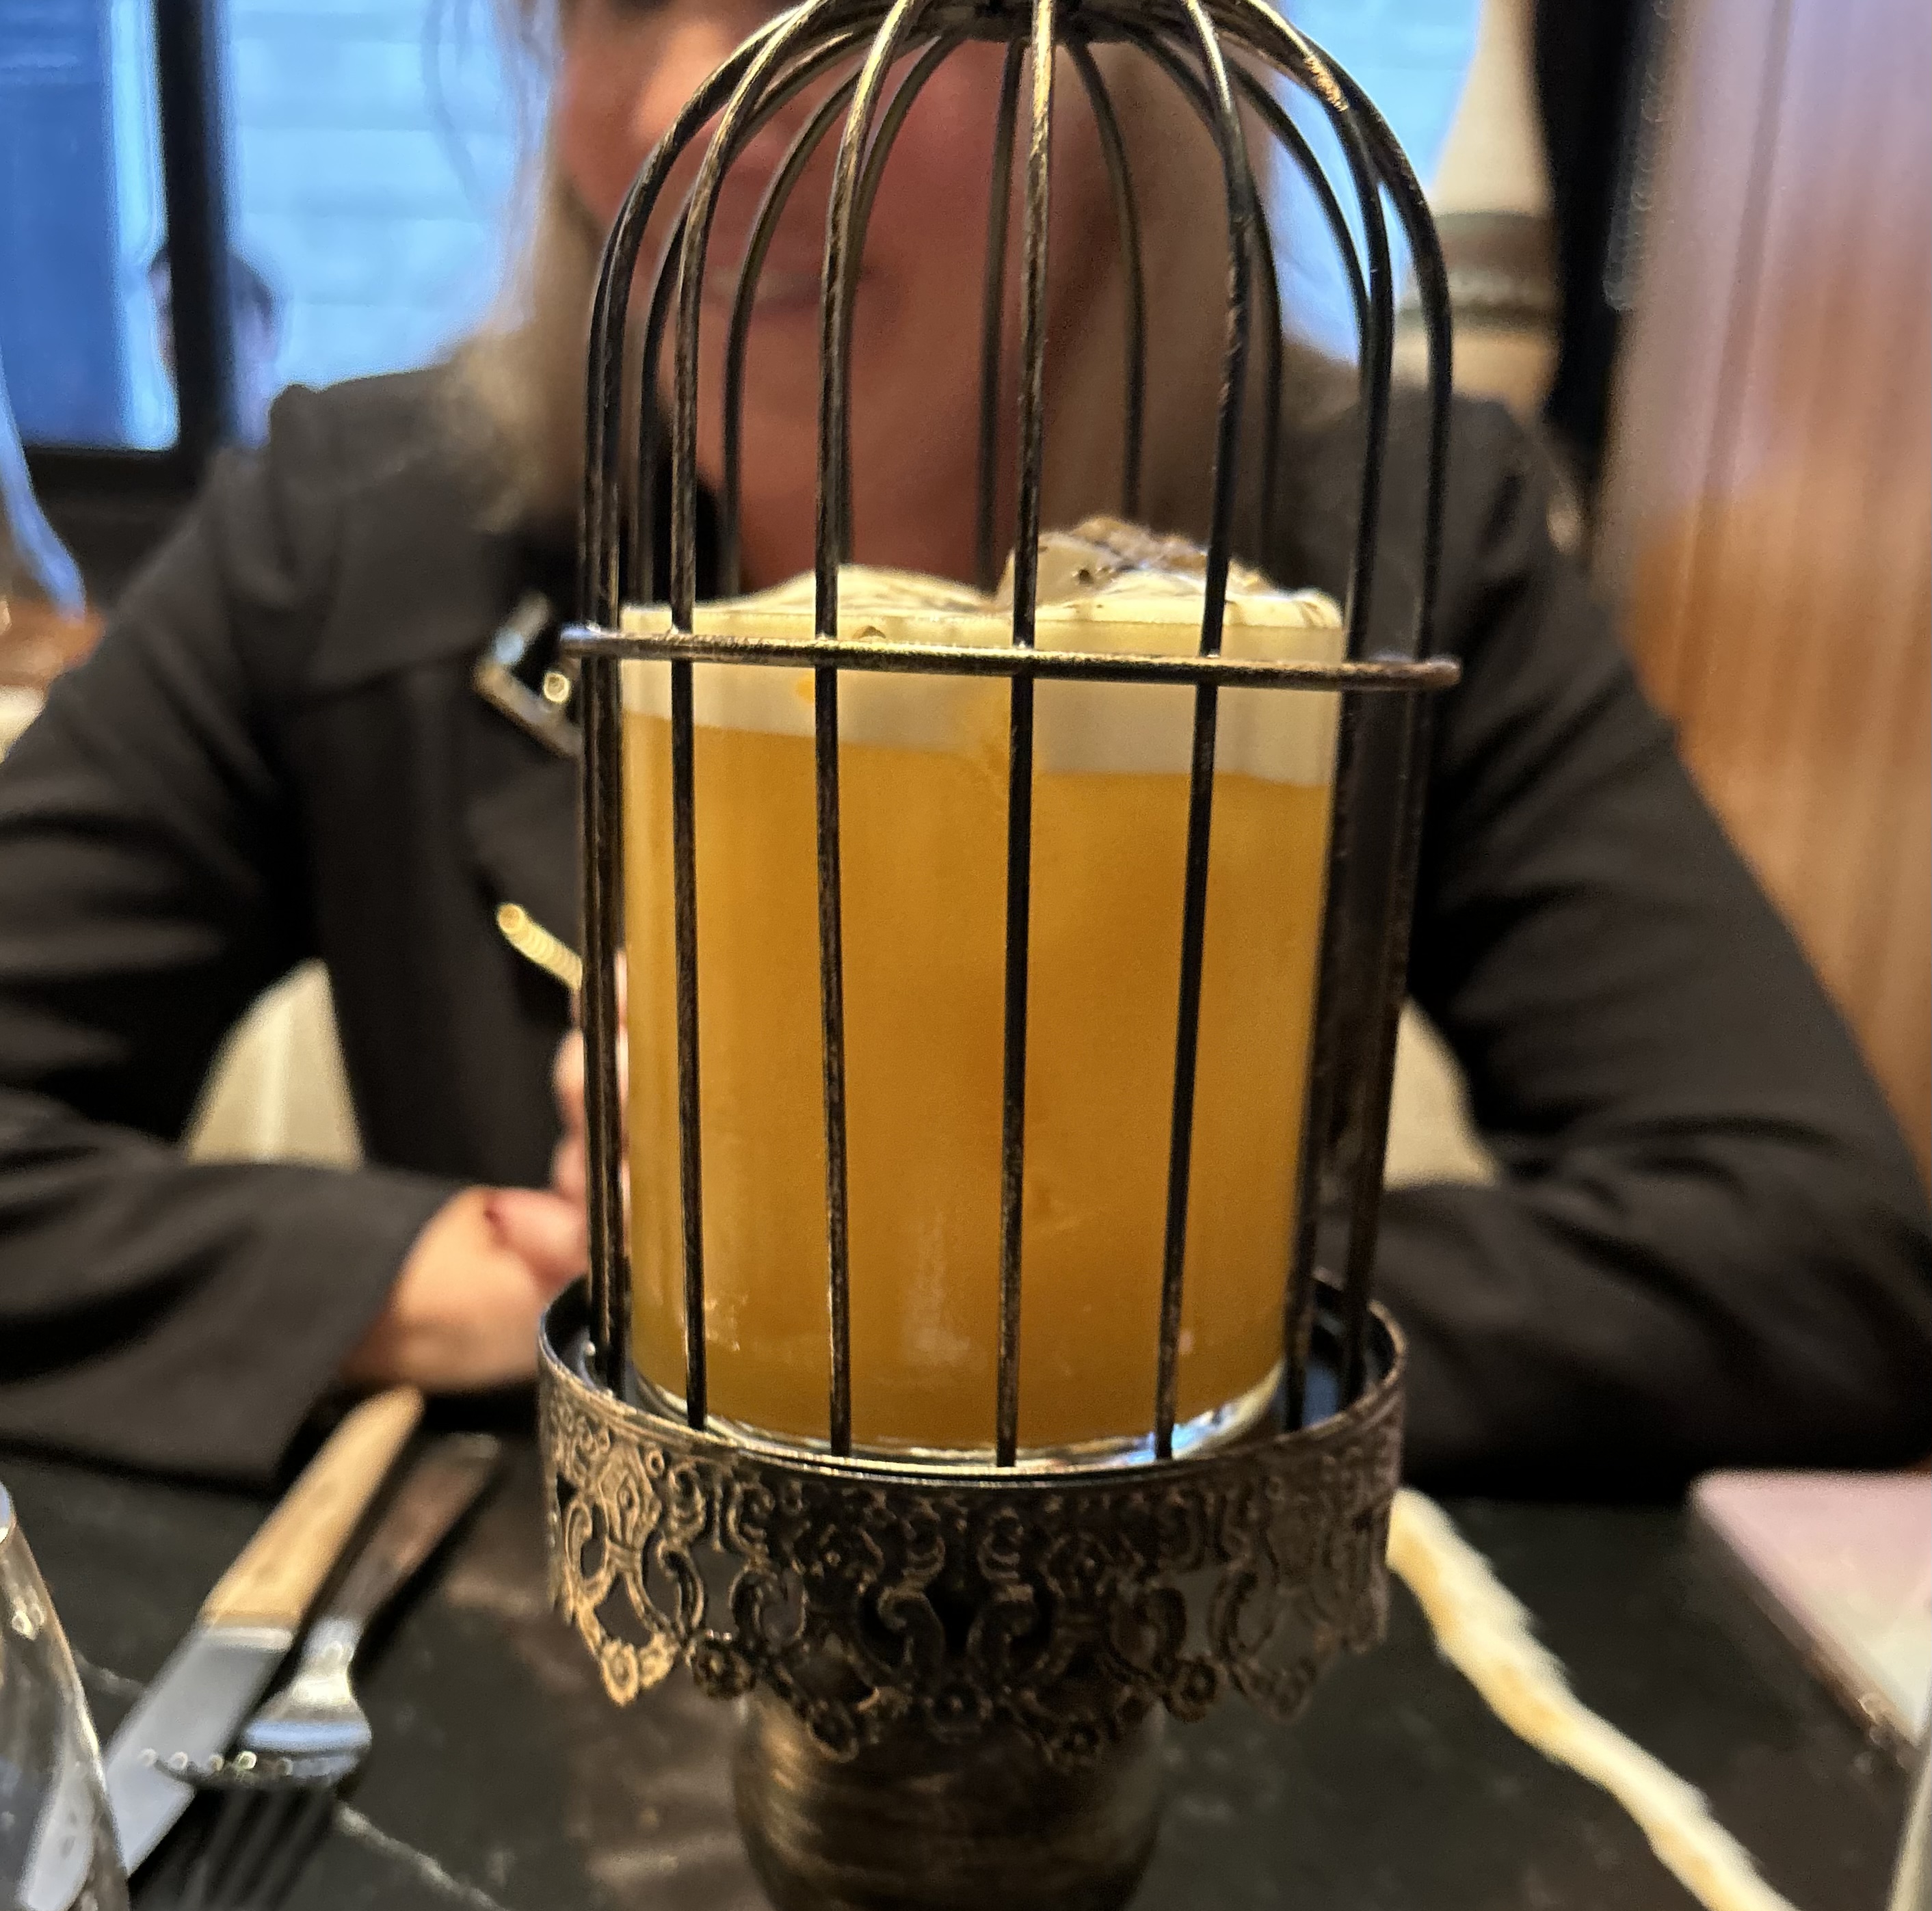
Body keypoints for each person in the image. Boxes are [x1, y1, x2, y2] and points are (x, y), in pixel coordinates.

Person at [0, 0, 1926, 1493]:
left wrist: (1033, 1291)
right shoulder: (358, 530)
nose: (686, 111)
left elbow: (1822, 1256)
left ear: (1126, 88)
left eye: (845, 14)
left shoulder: (1391, 540)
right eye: (612, 4)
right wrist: (488, 1277)